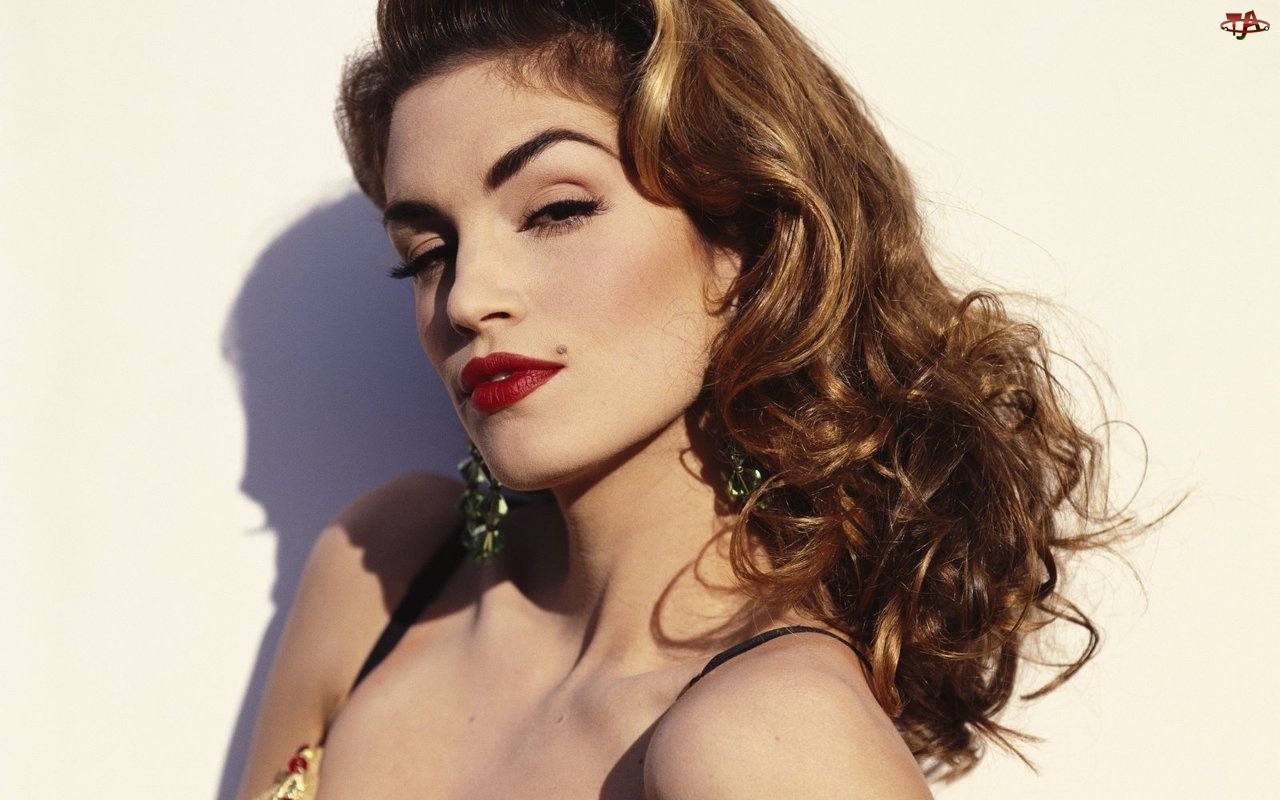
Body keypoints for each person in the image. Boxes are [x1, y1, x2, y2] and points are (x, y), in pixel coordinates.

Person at [239, 1, 1137, 797]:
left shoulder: (770, 735)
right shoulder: (386, 570)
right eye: (428, 254)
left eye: (556, 210)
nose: (467, 297)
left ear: (747, 241)